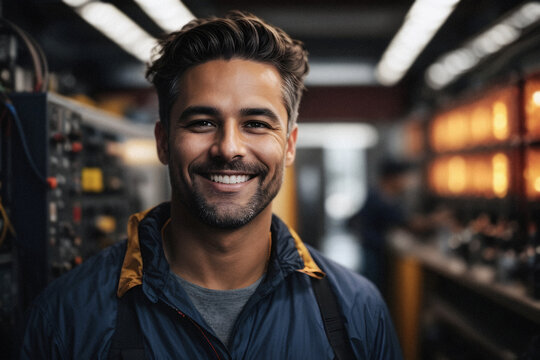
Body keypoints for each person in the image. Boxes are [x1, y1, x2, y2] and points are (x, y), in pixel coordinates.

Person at [20, 11, 402, 359]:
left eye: (256, 123)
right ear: (164, 142)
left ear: (288, 146)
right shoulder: (67, 317)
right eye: (202, 122)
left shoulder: (357, 311)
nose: (229, 148)